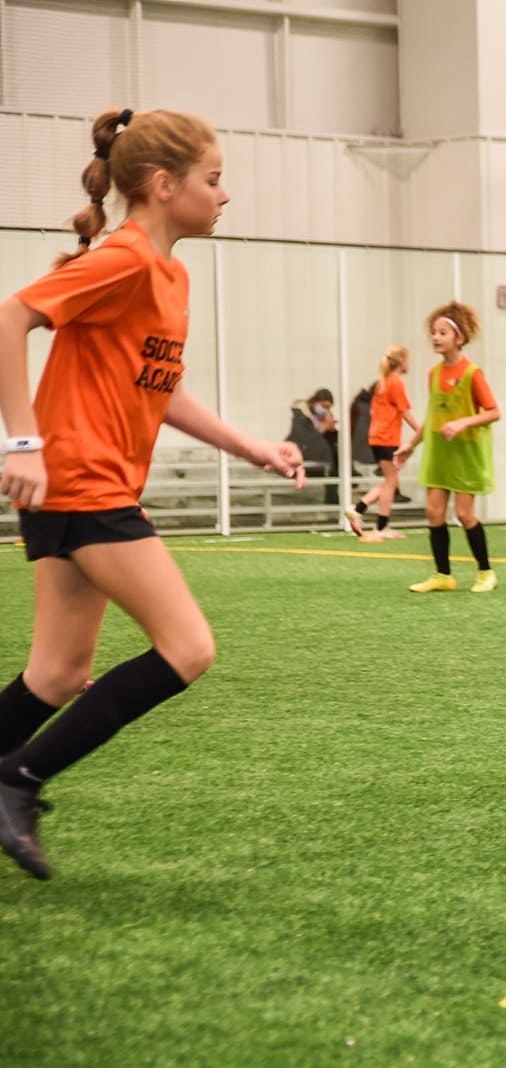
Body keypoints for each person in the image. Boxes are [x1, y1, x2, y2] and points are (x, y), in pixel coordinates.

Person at [0, 107, 305, 880]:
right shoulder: (125, 259)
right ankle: (17, 780)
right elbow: (9, 317)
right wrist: (23, 442)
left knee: (59, 673)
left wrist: (252, 447)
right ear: (164, 185)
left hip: (81, 486)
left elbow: (158, 389)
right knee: (189, 647)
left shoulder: (170, 274)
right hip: (79, 481)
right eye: (214, 179)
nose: (225, 195)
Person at [397, 302, 500, 593]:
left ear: (459, 338)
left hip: (465, 453)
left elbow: (493, 411)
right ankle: (443, 574)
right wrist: (410, 445)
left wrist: (462, 423)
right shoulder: (433, 374)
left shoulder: (472, 373)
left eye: (442, 332)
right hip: (438, 454)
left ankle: (486, 572)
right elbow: (433, 416)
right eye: (433, 332)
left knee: (465, 514)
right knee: (433, 513)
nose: (435, 337)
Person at [347, 346, 420, 541]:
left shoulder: (382, 383)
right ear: (402, 362)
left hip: (378, 437)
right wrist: (422, 432)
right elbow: (405, 412)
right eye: (408, 359)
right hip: (386, 438)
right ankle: (369, 517)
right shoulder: (395, 383)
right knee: (391, 481)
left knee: (390, 482)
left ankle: (365, 513)